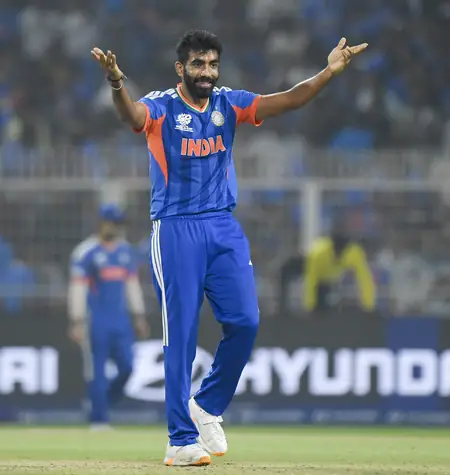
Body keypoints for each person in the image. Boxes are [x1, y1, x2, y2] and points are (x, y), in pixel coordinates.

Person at [91, 29, 368, 466]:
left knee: (245, 322)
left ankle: (206, 405)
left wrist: (328, 72)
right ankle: (180, 440)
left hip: (223, 227)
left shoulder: (229, 103)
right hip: (176, 228)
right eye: (198, 64)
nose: (207, 72)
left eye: (213, 64)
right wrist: (115, 83)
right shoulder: (163, 106)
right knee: (181, 336)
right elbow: (132, 116)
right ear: (181, 68)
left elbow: (290, 100)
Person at [68, 203, 150, 430]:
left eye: (118, 223)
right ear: (101, 223)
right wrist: (77, 320)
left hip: (121, 320)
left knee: (128, 367)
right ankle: (99, 419)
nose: (114, 227)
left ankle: (102, 402)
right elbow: (78, 289)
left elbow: (132, 286)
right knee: (97, 371)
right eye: (111, 223)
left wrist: (139, 315)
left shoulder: (125, 252)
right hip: (96, 320)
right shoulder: (86, 252)